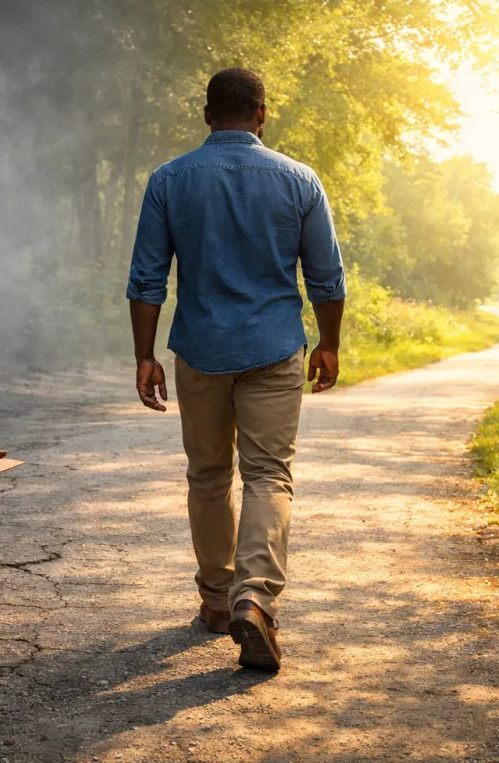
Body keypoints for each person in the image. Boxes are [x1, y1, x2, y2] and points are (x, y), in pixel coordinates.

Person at [126, 67, 346, 671]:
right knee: (268, 475)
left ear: (206, 115)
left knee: (207, 475)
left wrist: (144, 355)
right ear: (261, 114)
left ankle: (217, 601)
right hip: (274, 349)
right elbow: (326, 277)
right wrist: (329, 343)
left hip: (199, 349)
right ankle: (255, 599)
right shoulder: (299, 179)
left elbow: (146, 278)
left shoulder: (169, 180)